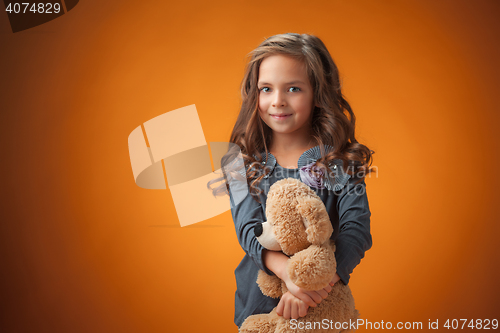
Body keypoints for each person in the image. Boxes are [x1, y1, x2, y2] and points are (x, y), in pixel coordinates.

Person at [218, 33, 374, 328]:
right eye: (266, 89)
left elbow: (356, 231)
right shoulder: (241, 164)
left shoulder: (339, 163)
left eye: (293, 88)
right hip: (256, 305)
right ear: (255, 94)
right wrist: (289, 274)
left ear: (317, 93)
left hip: (322, 308)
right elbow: (248, 230)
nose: (277, 101)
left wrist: (311, 288)